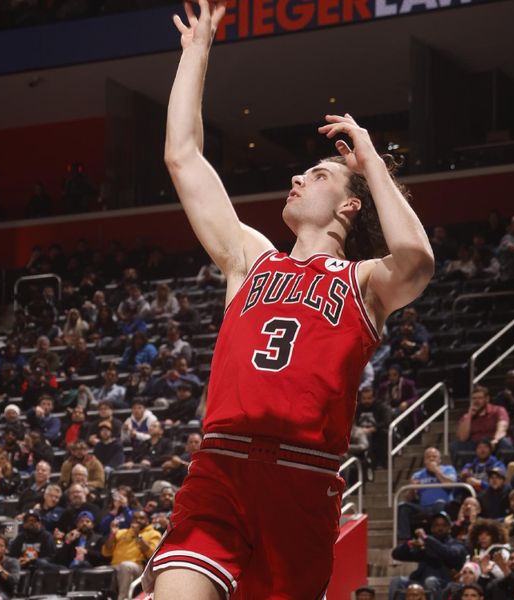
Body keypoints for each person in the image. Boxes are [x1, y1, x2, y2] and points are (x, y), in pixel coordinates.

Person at [146, 2, 434, 598]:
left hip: (303, 482)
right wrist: (196, 50)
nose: (299, 179)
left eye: (319, 175)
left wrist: (369, 160)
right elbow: (183, 157)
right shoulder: (251, 259)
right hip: (220, 465)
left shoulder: (364, 282)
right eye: (301, 173)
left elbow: (417, 261)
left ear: (350, 206)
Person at [390, 512, 468, 600]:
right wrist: (410, 544)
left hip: (442, 582)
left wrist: (426, 538)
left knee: (430, 581)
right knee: (397, 581)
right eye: (436, 525)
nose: (440, 528)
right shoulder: (425, 545)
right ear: (432, 528)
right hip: (419, 580)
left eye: (443, 525)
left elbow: (448, 553)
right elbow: (396, 555)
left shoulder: (456, 544)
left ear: (449, 528)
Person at [398, 447, 458, 541]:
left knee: (439, 503)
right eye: (428, 457)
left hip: (444, 505)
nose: (431, 459)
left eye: (434, 457)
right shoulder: (417, 475)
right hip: (424, 507)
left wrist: (436, 471)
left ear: (439, 460)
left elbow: (451, 485)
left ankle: (440, 537)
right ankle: (405, 540)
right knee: (402, 507)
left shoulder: (448, 469)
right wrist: (412, 489)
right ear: (425, 461)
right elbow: (408, 498)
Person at [102, 510, 162, 600]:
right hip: (115, 566)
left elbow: (152, 554)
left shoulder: (154, 534)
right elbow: (106, 552)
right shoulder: (121, 532)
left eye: (141, 518)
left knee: (125, 566)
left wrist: (138, 535)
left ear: (147, 520)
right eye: (135, 518)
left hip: (137, 568)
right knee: (98, 570)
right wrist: (112, 534)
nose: (137, 520)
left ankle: (123, 598)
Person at [452, 386, 511, 459]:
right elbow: (462, 438)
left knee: (505, 443)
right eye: (474, 398)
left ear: (487, 399)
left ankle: (502, 469)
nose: (476, 401)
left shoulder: (498, 410)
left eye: (480, 398)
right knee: (456, 445)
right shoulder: (467, 416)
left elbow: (502, 427)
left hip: (493, 441)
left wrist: (495, 440)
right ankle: (463, 469)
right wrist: (469, 416)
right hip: (475, 444)